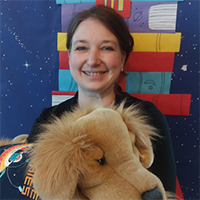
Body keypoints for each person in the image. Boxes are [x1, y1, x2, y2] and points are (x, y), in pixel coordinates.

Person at [27, 5, 176, 194]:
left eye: (106, 48)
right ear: (70, 57)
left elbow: (163, 193)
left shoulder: (149, 117)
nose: (92, 60)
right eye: (81, 48)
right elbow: (29, 190)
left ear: (122, 58)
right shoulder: (47, 121)